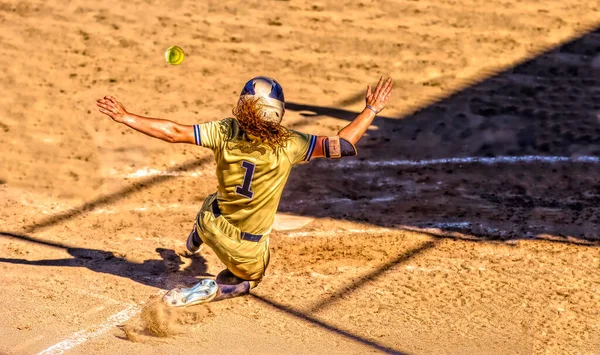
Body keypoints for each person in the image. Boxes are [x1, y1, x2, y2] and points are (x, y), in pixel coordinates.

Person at [96, 76, 393, 306]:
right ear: (279, 111)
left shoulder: (225, 130)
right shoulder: (291, 144)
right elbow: (343, 144)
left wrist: (126, 116)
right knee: (248, 280)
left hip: (213, 221)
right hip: (246, 248)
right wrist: (371, 108)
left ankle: (197, 236)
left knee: (212, 200)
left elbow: (173, 133)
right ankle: (213, 290)